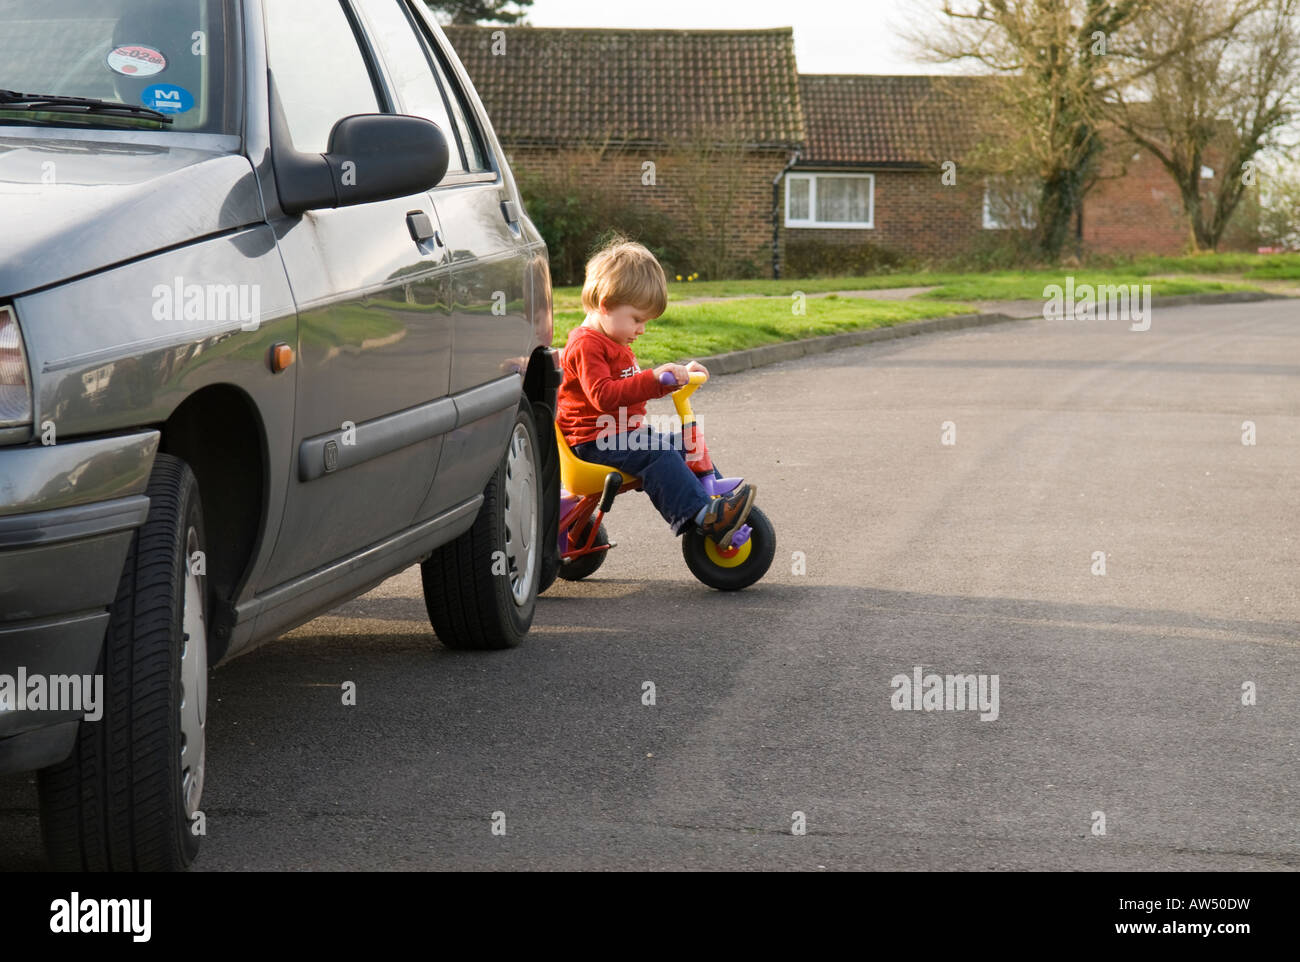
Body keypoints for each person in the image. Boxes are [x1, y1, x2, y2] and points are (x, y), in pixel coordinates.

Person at [556, 236, 757, 546]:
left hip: (618, 434)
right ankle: (704, 515)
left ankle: (717, 503)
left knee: (685, 445)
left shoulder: (615, 341)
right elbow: (604, 396)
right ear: (605, 304)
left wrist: (675, 378)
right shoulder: (587, 345)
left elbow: (632, 388)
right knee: (658, 453)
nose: (641, 329)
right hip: (592, 440)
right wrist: (653, 378)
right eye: (637, 319)